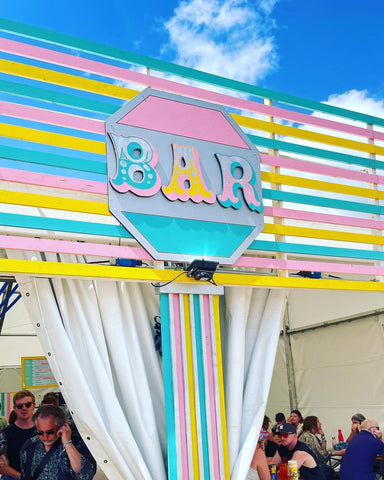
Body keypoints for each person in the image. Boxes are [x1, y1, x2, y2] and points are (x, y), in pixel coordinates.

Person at [20, 405, 96, 480]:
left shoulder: (79, 442)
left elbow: (85, 475)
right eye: (40, 432)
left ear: (63, 425)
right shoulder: (29, 445)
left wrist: (68, 443)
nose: (45, 437)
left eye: (50, 432)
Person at [0, 389, 36, 480]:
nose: (24, 408)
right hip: (13, 477)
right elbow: (2, 467)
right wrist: (21, 477)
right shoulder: (5, 434)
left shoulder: (44, 432)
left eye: (28, 404)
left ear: (34, 406)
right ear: (15, 409)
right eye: (20, 406)